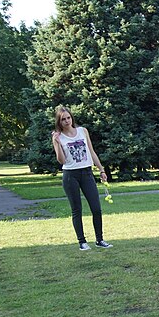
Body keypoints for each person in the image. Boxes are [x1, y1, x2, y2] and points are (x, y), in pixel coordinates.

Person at [51, 106, 113, 250]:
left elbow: (91, 151)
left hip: (86, 173)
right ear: (59, 122)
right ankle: (82, 242)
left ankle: (100, 239)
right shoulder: (58, 137)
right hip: (70, 175)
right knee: (76, 209)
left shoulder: (82, 131)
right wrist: (57, 143)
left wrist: (101, 169)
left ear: (72, 118)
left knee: (96, 208)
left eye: (68, 118)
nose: (67, 121)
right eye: (63, 119)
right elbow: (61, 161)